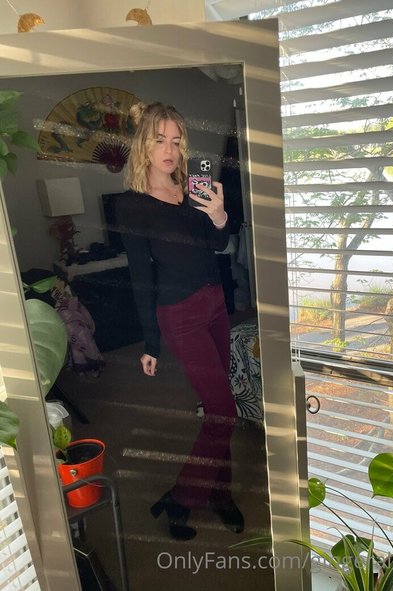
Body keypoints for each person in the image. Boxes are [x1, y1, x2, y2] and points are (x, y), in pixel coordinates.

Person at [115, 101, 244, 540]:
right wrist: (150, 342)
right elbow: (140, 276)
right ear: (144, 145)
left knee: (219, 405)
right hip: (180, 314)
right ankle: (184, 496)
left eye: (176, 141)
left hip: (215, 303)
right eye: (159, 140)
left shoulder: (193, 190)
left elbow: (217, 244)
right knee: (223, 412)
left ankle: (220, 494)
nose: (169, 151)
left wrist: (219, 215)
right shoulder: (132, 206)